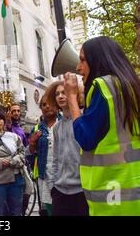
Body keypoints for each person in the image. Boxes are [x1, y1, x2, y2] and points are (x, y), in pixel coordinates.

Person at [64, 36, 140, 216]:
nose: (78, 68)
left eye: (82, 60)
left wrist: (72, 98)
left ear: (98, 60)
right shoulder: (131, 89)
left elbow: (85, 138)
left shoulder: (104, 87)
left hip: (117, 202)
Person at [45, 81, 88, 216]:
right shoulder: (57, 127)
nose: (61, 96)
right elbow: (55, 158)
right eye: (57, 94)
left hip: (83, 191)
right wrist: (53, 186)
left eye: (64, 92)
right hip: (60, 192)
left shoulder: (84, 119)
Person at [28, 94, 60, 216]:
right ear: (41, 108)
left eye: (50, 103)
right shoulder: (37, 128)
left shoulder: (66, 122)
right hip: (45, 175)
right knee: (49, 209)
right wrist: (32, 142)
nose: (47, 107)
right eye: (44, 105)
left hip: (64, 174)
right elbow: (31, 153)